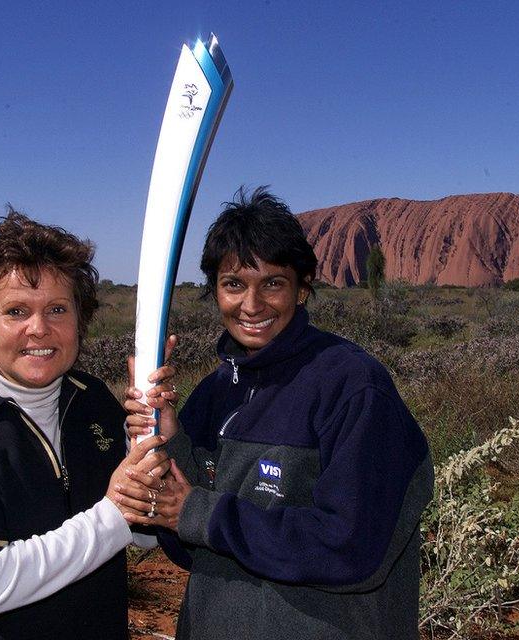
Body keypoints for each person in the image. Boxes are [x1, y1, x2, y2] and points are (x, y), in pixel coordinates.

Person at [123, 187, 434, 639]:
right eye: (234, 284)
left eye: (272, 283)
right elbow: (187, 542)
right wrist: (169, 440)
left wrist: (201, 515)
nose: (252, 305)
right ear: (214, 291)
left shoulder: (354, 388)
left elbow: (353, 549)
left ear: (302, 287)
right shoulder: (214, 392)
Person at [0, 210, 177, 640]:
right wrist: (115, 511)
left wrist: (156, 452)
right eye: (16, 311)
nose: (39, 329)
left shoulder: (92, 401)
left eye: (57, 309)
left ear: (79, 320)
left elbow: (143, 538)